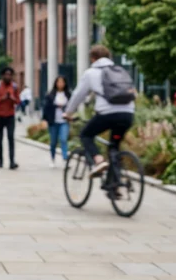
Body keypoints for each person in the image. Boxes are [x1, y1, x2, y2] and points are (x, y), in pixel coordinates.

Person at [63, 45, 136, 188]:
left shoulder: (91, 73)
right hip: (127, 114)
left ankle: (98, 160)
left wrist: (68, 112)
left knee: (86, 135)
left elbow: (78, 95)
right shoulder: (121, 71)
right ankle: (114, 185)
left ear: (92, 58)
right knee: (114, 146)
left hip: (107, 114)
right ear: (109, 57)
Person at [0, 68, 20, 169]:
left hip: (10, 116)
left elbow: (19, 102)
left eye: (10, 74)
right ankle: (0, 161)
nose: (8, 76)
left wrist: (12, 98)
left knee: (11, 138)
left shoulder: (14, 87)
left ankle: (12, 162)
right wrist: (1, 98)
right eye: (6, 74)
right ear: (2, 75)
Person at [42, 76, 72, 168]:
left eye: (62, 82)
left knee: (63, 139)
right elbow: (46, 108)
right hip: (53, 121)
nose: (60, 84)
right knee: (53, 142)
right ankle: (52, 158)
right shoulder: (50, 95)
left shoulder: (68, 94)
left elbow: (72, 106)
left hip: (64, 121)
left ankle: (64, 159)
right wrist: (44, 120)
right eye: (58, 82)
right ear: (55, 83)